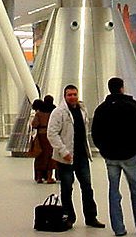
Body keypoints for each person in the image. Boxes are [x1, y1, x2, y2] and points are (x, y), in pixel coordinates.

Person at [91, 77, 136, 237]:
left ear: (109, 89)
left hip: (111, 156)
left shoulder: (101, 109)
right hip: (130, 154)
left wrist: (103, 150)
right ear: (122, 88)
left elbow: (96, 133)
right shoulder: (132, 107)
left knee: (114, 192)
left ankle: (119, 228)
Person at [47, 84, 105, 229]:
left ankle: (91, 217)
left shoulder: (82, 110)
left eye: (74, 94)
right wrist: (63, 151)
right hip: (66, 158)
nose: (72, 97)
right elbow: (52, 134)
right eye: (69, 95)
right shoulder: (58, 112)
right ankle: (68, 217)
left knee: (87, 187)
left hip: (82, 155)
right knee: (67, 188)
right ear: (64, 96)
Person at [31, 97, 58, 184]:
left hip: (41, 135)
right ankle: (49, 177)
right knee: (50, 156)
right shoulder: (54, 112)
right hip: (51, 135)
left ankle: (39, 178)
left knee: (40, 155)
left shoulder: (39, 113)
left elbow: (34, 124)